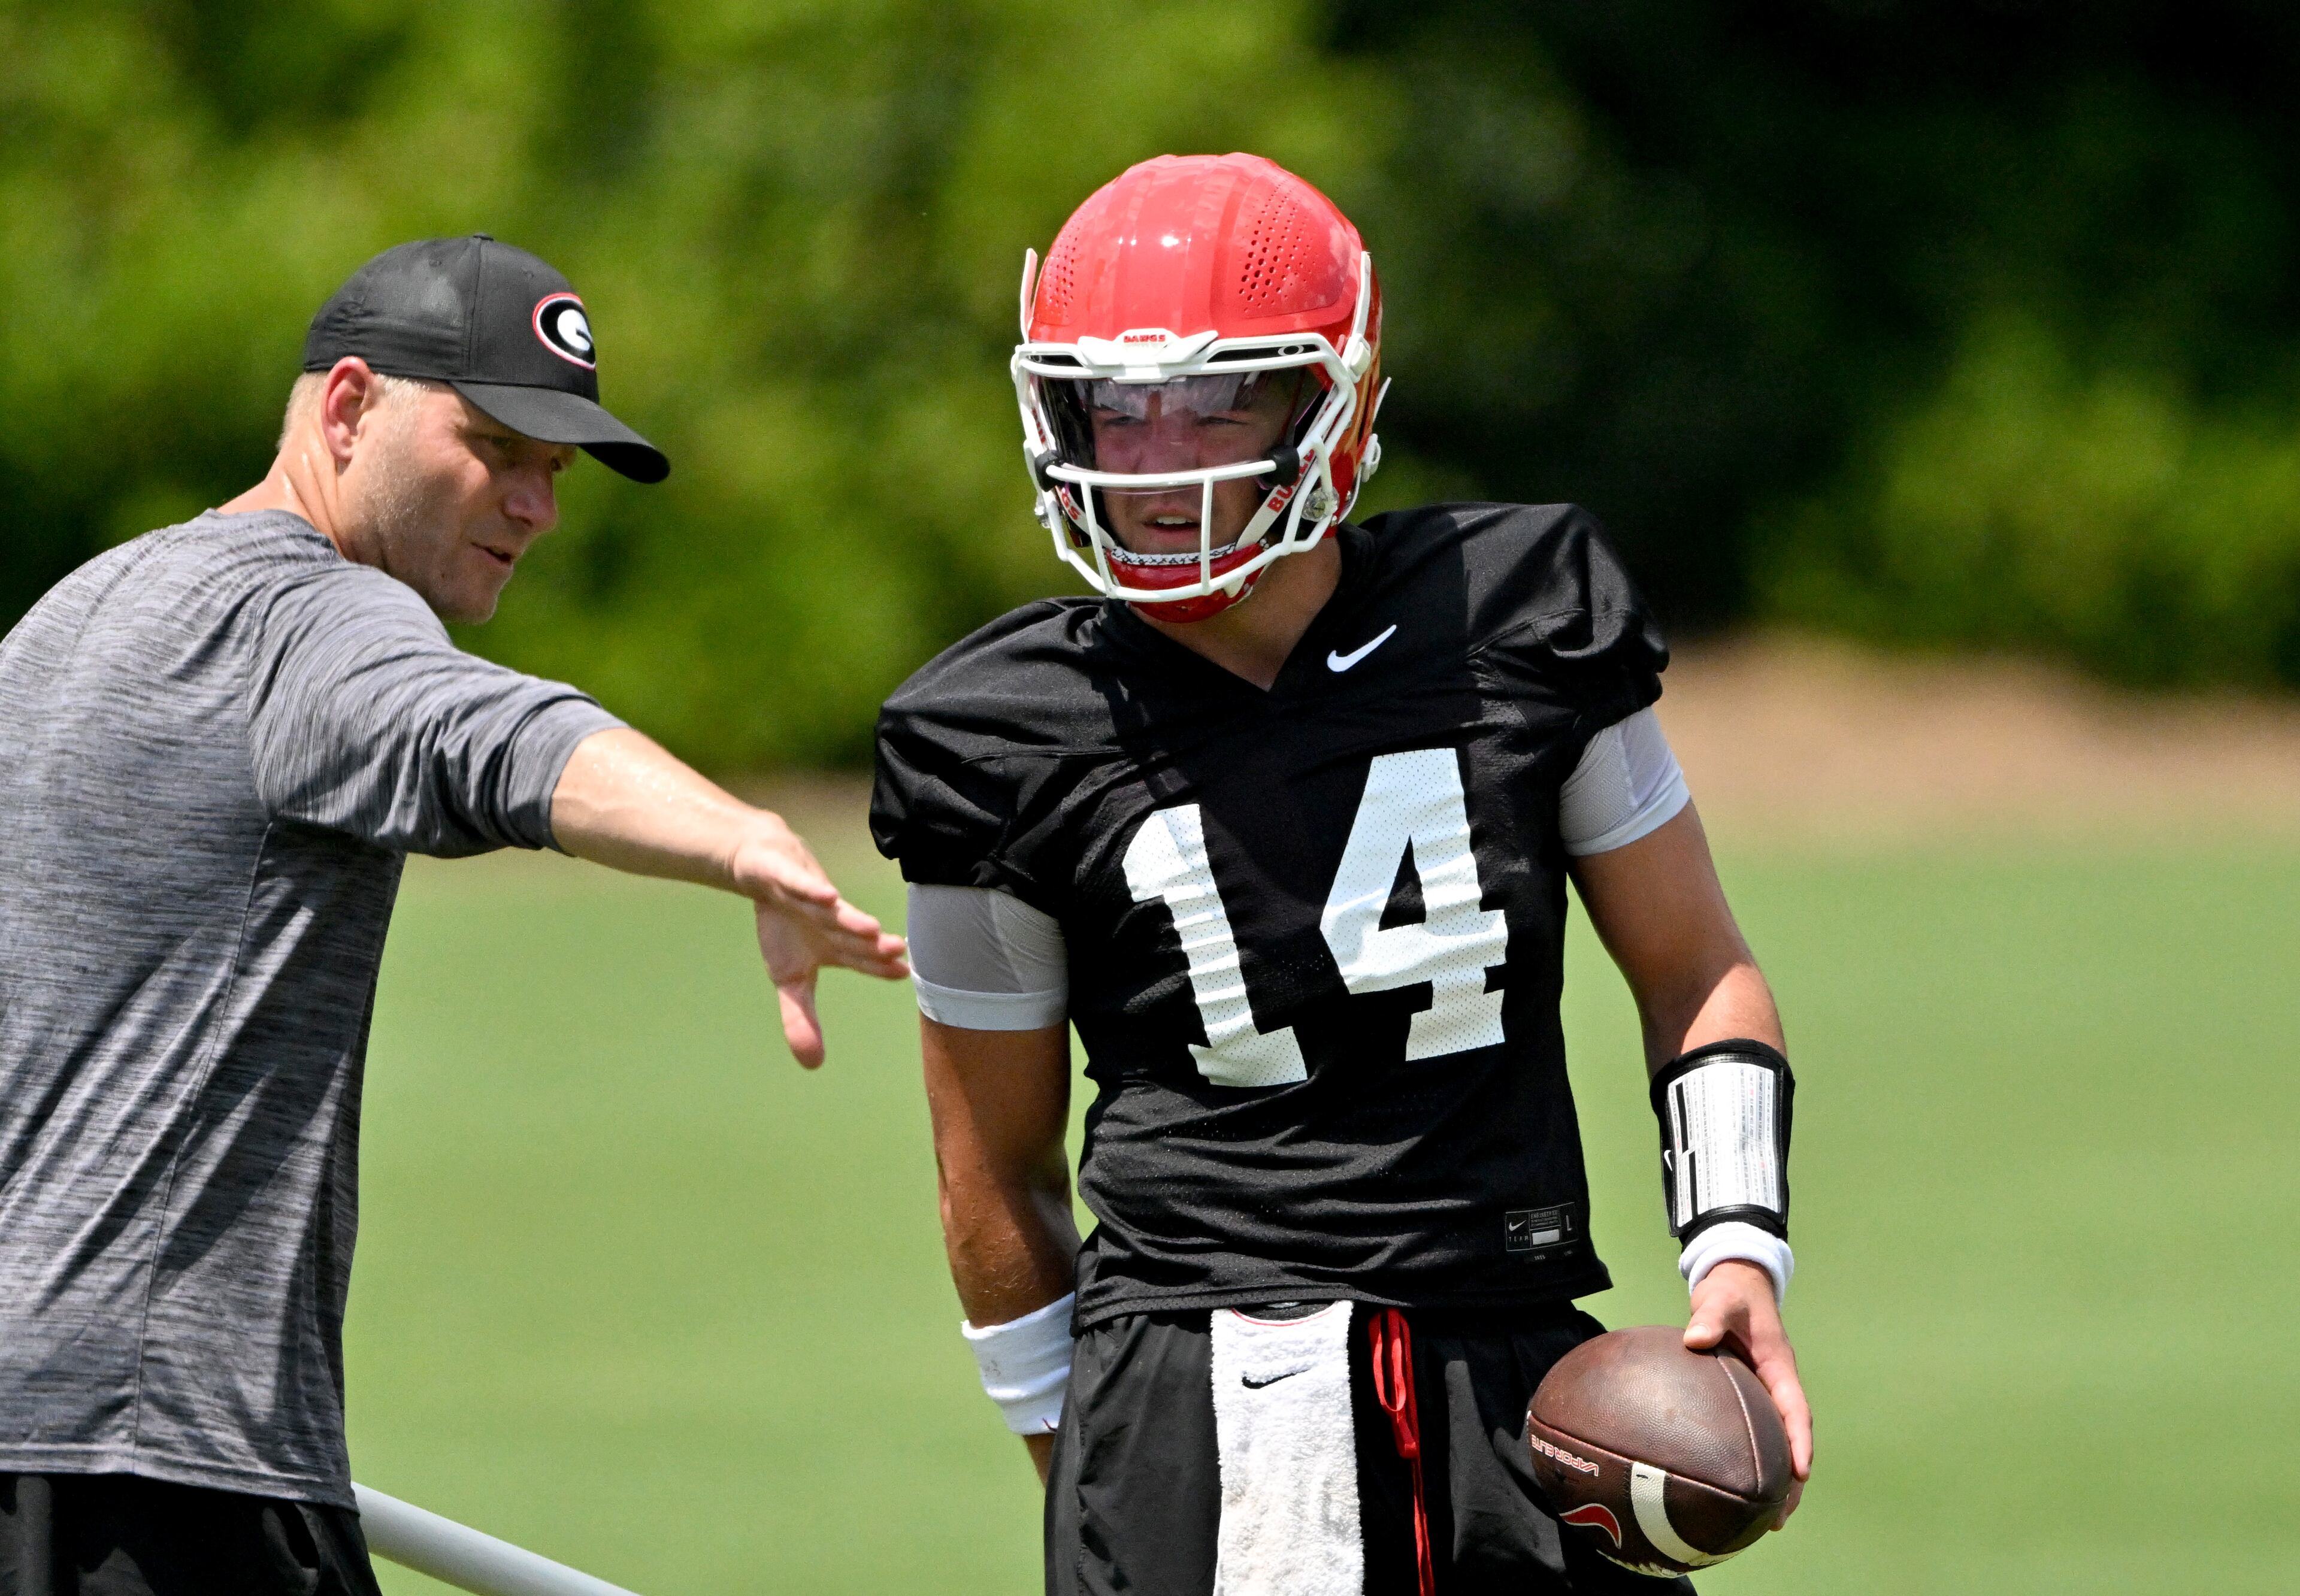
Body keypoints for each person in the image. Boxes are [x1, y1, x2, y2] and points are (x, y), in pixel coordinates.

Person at [871, 156, 1809, 1594]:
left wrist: (1738, 1254)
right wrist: (1089, 1456)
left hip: (1514, 1360)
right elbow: (992, 1175)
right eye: (1113, 407)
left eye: (1217, 397)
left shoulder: (1518, 615)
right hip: (1194, 1376)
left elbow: (1698, 971)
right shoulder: (991, 735)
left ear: (1341, 401)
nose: (1157, 454)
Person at [0, 235, 907, 1596]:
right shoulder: (311, 619)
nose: (538, 504)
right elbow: (486, 735)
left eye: (557, 469)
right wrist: (743, 841)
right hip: (159, 1473)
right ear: (350, 407)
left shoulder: (69, 618)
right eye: (496, 446)